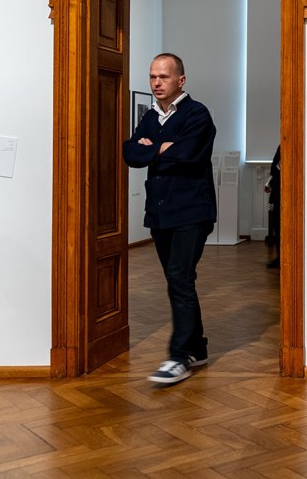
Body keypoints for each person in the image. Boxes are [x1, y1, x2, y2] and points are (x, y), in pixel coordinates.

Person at [122, 53, 217, 385]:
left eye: (163, 76)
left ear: (181, 80)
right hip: (160, 213)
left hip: (192, 212)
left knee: (179, 278)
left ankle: (178, 357)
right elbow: (131, 153)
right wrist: (163, 148)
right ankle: (197, 348)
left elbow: (190, 154)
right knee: (180, 280)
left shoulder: (197, 114)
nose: (156, 82)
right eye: (152, 76)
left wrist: (154, 148)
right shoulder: (150, 117)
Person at [264, 145, 281, 269]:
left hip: (283, 191)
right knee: (275, 223)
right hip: (275, 192)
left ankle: (283, 257)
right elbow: (274, 168)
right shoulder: (281, 147)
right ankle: (280, 257)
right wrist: (268, 182)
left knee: (280, 224)